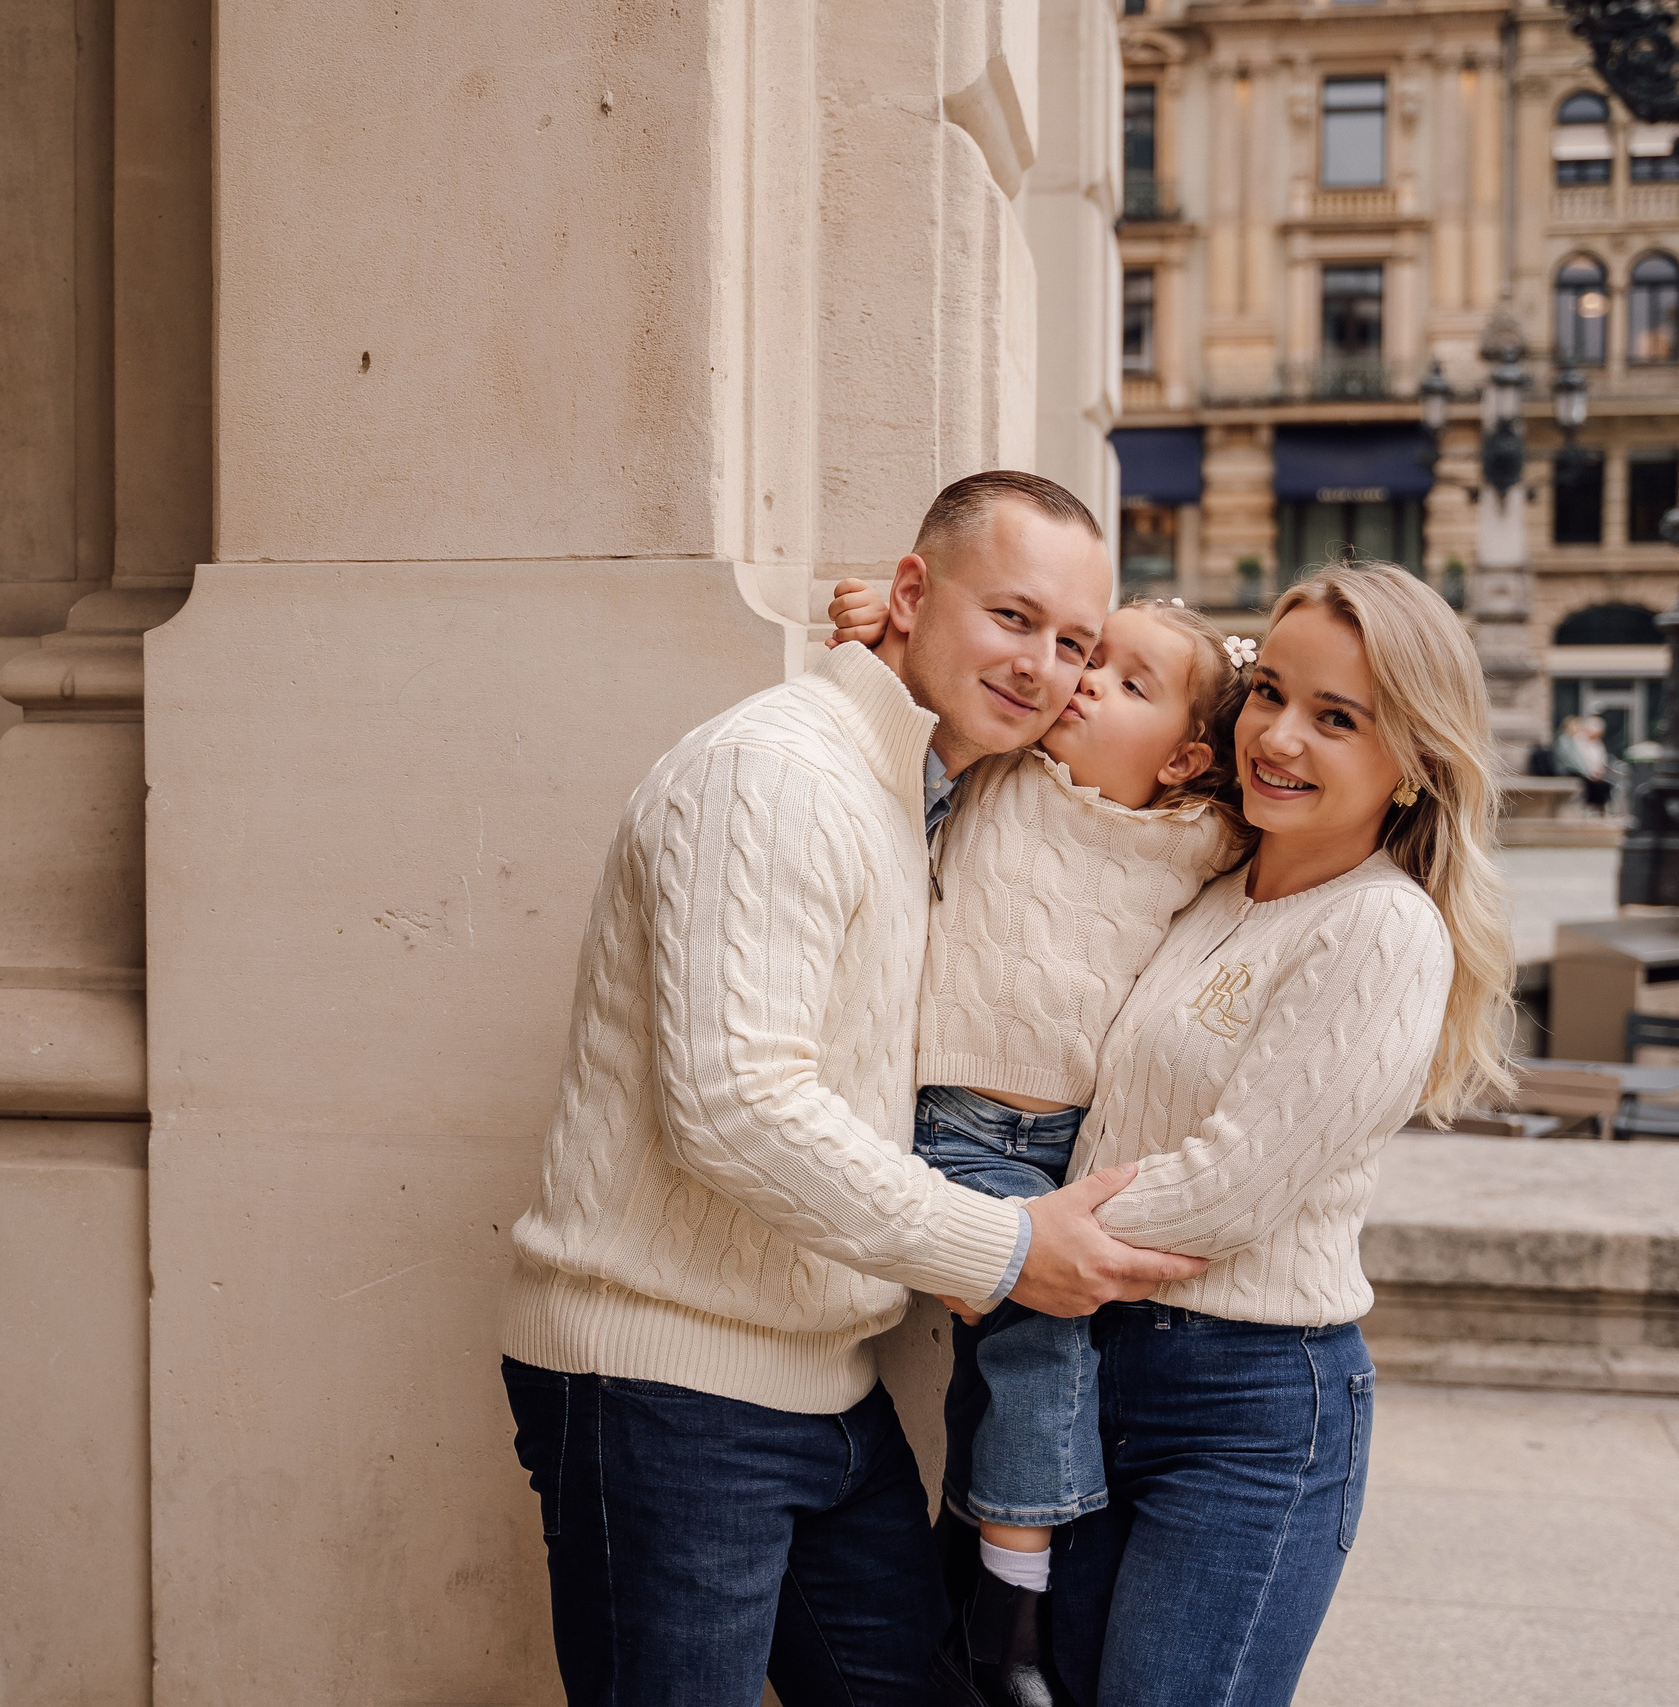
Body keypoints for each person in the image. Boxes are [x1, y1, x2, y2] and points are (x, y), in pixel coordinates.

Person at [498, 471, 1210, 1707]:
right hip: (667, 1388)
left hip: (827, 1391)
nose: (1043, 666)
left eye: (1075, 644)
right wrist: (1002, 1248)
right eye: (1013, 617)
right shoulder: (771, 775)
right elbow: (735, 1104)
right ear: (912, 592)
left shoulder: (919, 786)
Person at [1039, 562, 1514, 1707]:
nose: (1279, 738)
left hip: (1247, 1405)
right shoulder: (1209, 885)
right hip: (1089, 1370)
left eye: (1335, 718)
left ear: (1412, 762)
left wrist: (1007, 1245)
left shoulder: (1382, 932)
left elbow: (1225, 1193)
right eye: (1271, 694)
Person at [822, 586, 1243, 1706]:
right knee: (1042, 1343)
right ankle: (1010, 1631)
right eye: (1088, 659)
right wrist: (883, 623)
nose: (1084, 680)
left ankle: (974, 1589)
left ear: (1187, 760)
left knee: (1008, 1377)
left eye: (1126, 681)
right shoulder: (1004, 772)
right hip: (953, 1129)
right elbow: (909, 727)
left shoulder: (1207, 842)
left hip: (1070, 1146)